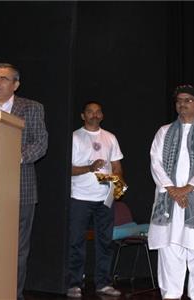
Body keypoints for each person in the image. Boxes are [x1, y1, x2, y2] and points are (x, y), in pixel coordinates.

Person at [0, 63, 48, 300]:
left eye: (3, 79)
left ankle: (12, 294)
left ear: (16, 84)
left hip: (19, 189)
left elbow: (40, 143)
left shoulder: (31, 108)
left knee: (16, 249)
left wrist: (17, 155)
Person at [147, 85, 194, 300]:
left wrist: (187, 189)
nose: (182, 103)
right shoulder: (164, 131)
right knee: (170, 248)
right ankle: (170, 294)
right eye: (179, 100)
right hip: (168, 198)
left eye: (188, 100)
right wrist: (172, 189)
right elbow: (156, 162)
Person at [67, 101, 124, 298]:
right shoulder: (74, 137)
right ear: (83, 115)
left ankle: (103, 283)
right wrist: (89, 168)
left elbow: (116, 165)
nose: (94, 115)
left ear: (102, 115)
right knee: (76, 242)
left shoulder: (110, 138)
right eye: (90, 112)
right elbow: (68, 170)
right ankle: (74, 283)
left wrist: (117, 181)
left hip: (105, 199)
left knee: (105, 242)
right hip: (80, 197)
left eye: (98, 111)